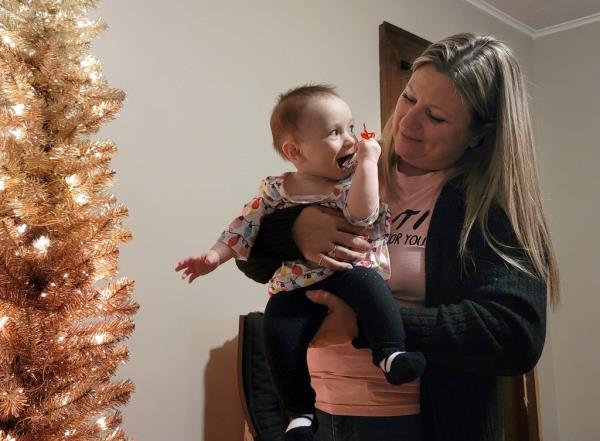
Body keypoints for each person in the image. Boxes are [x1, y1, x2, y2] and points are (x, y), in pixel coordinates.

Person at [236, 33, 559, 441]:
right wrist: (292, 231)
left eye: (436, 117)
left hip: (416, 425)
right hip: (312, 415)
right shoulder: (350, 169)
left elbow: (514, 335)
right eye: (408, 98)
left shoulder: (491, 210)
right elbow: (252, 263)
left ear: (479, 134)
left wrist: (365, 325)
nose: (407, 122)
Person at [175, 85, 426, 441]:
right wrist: (213, 257)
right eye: (335, 133)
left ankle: (390, 352)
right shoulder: (277, 190)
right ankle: (298, 412)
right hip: (296, 282)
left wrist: (369, 163)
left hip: (347, 270)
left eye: (351, 128)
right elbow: (244, 225)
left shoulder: (353, 182)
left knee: (371, 289)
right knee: (276, 327)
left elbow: (363, 213)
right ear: (296, 151)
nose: (351, 140)